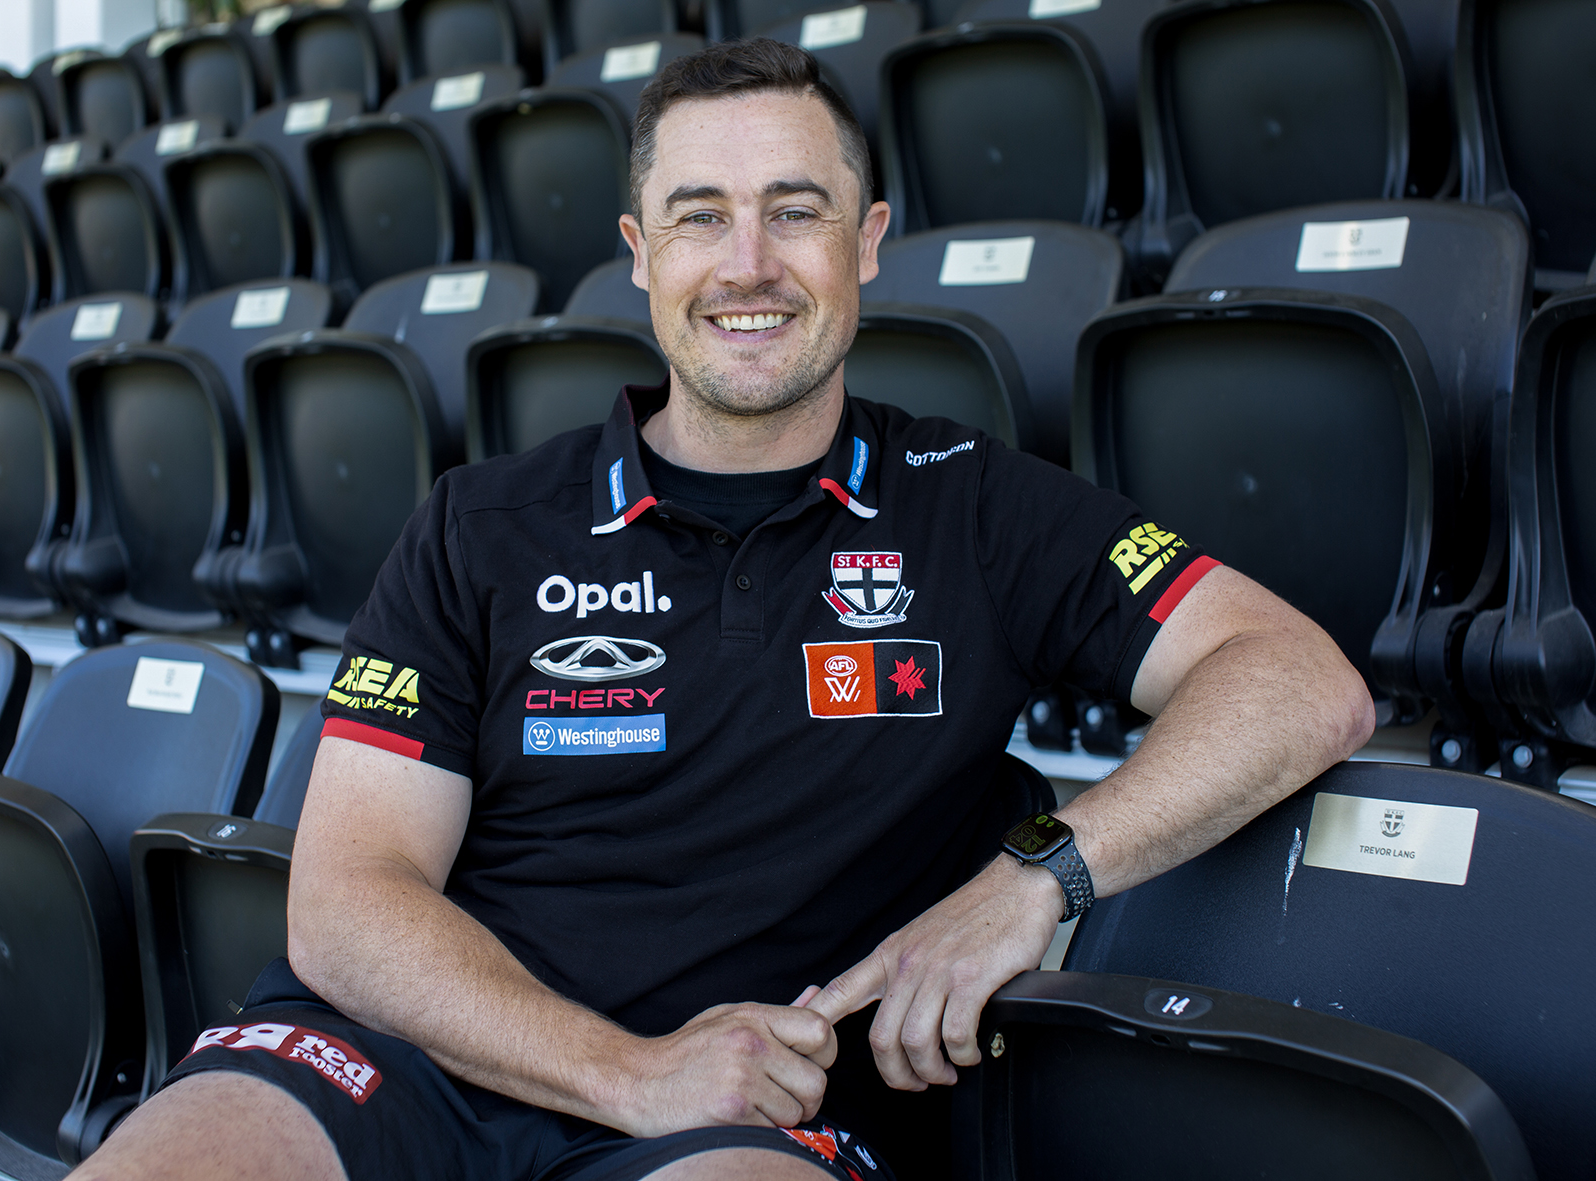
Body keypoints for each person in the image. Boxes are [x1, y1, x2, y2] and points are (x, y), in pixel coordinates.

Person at [72, 38, 1372, 1181]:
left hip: (749, 1111)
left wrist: (1037, 874)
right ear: (641, 254)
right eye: (700, 218)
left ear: (867, 241)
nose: (748, 266)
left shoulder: (978, 505)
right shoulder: (479, 522)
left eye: (795, 211)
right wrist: (627, 1072)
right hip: (410, 1057)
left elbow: (1299, 678)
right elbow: (347, 902)